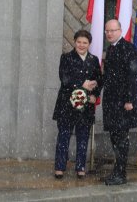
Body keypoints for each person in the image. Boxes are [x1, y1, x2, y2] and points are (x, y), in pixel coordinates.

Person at [52, 30, 102, 179]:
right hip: (66, 104)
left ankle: (80, 167)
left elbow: (99, 80)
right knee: (63, 136)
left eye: (85, 43)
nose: (81, 45)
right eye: (79, 42)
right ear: (74, 42)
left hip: (85, 106)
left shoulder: (93, 60)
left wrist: (94, 95)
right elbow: (64, 78)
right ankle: (60, 167)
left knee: (83, 136)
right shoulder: (66, 58)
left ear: (89, 44)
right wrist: (82, 84)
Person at [102, 19, 137, 186]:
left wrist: (129, 100)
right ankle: (118, 170)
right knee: (115, 137)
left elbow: (132, 75)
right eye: (107, 31)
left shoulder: (127, 48)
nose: (109, 33)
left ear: (120, 31)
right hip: (112, 102)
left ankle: (120, 173)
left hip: (122, 103)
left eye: (113, 30)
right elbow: (108, 77)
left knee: (121, 138)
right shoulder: (111, 49)